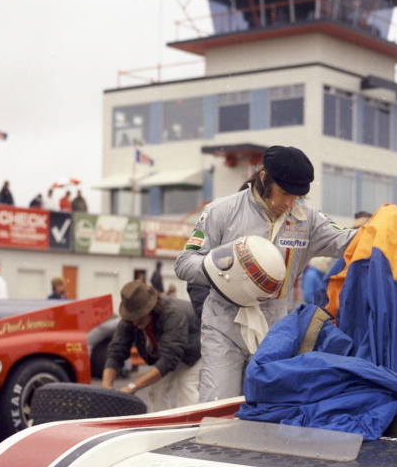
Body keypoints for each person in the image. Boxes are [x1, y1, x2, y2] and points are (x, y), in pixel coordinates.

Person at [175, 145, 356, 402]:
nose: (289, 203)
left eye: (296, 196)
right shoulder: (221, 210)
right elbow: (184, 263)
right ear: (263, 178)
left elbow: (349, 242)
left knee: (267, 405)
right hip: (223, 324)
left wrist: (382, 230)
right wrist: (224, 268)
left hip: (275, 329)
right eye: (284, 193)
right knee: (218, 404)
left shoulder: (308, 220)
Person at [102, 281, 201, 412]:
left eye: (140, 316)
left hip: (196, 348)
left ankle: (190, 427)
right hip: (171, 351)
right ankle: (162, 428)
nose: (135, 321)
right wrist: (106, 386)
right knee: (156, 388)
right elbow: (116, 351)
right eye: (132, 317)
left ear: (152, 309)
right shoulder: (129, 321)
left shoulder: (173, 314)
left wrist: (132, 386)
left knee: (186, 386)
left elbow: (169, 359)